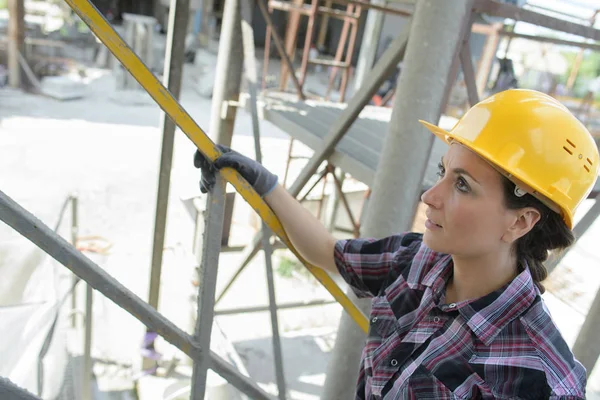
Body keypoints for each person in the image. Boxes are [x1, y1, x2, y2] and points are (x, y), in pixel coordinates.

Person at [194, 89, 599, 399]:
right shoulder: (417, 261)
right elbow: (326, 252)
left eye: (462, 185)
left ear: (521, 221)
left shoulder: (537, 378)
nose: (430, 197)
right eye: (444, 172)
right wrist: (264, 184)